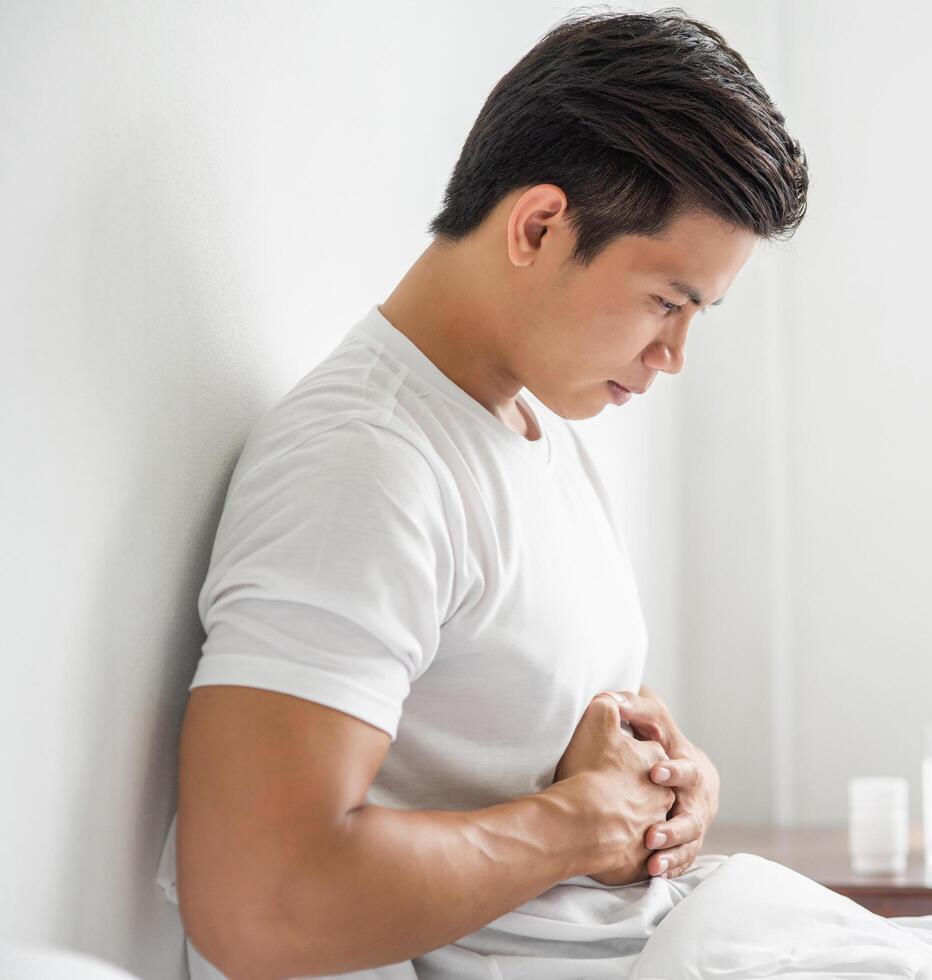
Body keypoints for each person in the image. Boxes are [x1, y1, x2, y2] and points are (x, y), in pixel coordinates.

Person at [153, 7, 809, 978]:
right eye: (666, 302)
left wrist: (674, 783)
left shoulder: (532, 423)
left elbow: (509, 714)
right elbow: (257, 899)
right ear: (539, 225)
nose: (673, 354)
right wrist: (586, 825)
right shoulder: (364, 462)